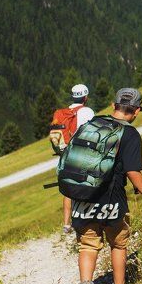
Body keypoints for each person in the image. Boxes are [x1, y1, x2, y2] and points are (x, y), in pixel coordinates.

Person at [71, 87, 142, 284]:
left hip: (82, 196)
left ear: (113, 106)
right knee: (118, 244)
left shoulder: (91, 126)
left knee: (88, 245)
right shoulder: (130, 134)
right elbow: (133, 172)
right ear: (136, 111)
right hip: (112, 199)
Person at [61, 84, 95, 234]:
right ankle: (88, 218)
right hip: (82, 153)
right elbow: (93, 132)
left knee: (68, 188)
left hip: (66, 153)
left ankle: (66, 224)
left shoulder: (65, 112)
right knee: (87, 183)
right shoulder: (87, 111)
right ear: (86, 97)